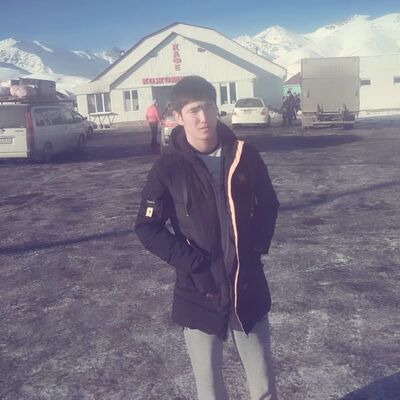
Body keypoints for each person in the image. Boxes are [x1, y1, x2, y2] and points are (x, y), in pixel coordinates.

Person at [135, 76, 280, 400]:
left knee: (263, 385)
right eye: (194, 110)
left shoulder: (244, 155)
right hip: (198, 290)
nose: (204, 118)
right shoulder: (167, 169)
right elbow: (147, 227)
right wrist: (194, 265)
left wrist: (255, 247)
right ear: (178, 116)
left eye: (209, 107)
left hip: (247, 285)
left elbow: (268, 203)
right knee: (210, 390)